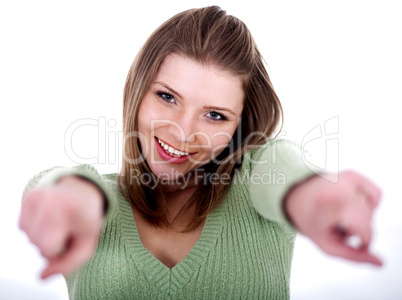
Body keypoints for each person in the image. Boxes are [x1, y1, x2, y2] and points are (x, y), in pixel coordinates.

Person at [19, 6, 382, 299]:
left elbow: (284, 168)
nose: (183, 132)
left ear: (239, 125)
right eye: (167, 96)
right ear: (138, 90)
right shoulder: (94, 191)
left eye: (214, 115)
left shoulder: (258, 177)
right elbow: (63, 187)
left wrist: (312, 195)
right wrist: (72, 198)